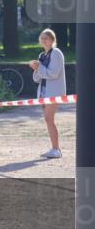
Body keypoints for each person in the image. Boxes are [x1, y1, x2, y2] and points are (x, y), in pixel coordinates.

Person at [29, 28, 65, 159]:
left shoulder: (56, 53)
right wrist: (36, 68)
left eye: (47, 38)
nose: (44, 40)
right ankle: (54, 148)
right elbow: (37, 78)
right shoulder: (42, 55)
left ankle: (56, 149)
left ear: (52, 40)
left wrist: (39, 67)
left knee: (49, 118)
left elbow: (54, 73)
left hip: (54, 91)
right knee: (48, 119)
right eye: (42, 38)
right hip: (44, 91)